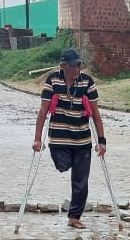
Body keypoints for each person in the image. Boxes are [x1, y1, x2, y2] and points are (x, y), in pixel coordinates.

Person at [32, 47, 106, 229]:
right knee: (62, 165)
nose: (77, 69)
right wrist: (37, 139)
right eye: (73, 66)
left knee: (81, 180)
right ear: (63, 66)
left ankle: (74, 216)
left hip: (82, 139)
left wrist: (102, 141)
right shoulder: (53, 80)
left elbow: (96, 112)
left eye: (79, 65)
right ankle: (68, 164)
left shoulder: (87, 82)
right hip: (59, 138)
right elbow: (43, 110)